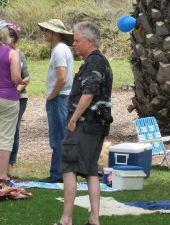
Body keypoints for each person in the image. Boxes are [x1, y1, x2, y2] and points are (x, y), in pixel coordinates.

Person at [55, 21, 113, 225]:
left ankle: (66, 220)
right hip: (97, 126)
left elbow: (88, 94)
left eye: (77, 40)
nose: (74, 44)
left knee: (68, 167)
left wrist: (72, 119)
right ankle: (94, 220)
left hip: (84, 125)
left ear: (89, 41)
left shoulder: (93, 62)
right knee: (90, 170)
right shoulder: (103, 61)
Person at [0, 19, 29, 183]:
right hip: (8, 98)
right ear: (4, 33)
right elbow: (15, 78)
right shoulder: (12, 53)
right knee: (6, 137)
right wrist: (22, 82)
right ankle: (3, 174)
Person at [37, 19, 74, 183]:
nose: (43, 33)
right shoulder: (62, 49)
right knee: (61, 137)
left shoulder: (59, 50)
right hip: (62, 98)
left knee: (57, 138)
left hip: (59, 98)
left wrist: (52, 96)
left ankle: (57, 174)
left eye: (46, 30)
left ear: (55, 33)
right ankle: (61, 172)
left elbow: (62, 78)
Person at [6, 21, 30, 178]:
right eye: (7, 34)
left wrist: (18, 88)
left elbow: (26, 76)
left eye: (12, 35)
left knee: (14, 131)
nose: (9, 38)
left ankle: (9, 165)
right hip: (2, 96)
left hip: (19, 97)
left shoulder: (19, 54)